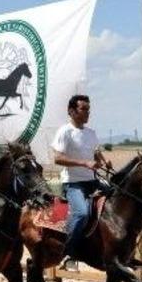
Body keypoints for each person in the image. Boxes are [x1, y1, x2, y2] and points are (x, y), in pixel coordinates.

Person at [51, 94, 112, 271]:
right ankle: (68, 255)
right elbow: (57, 158)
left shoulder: (90, 133)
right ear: (71, 111)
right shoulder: (65, 131)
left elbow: (95, 152)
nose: (87, 113)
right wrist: (83, 163)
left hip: (92, 181)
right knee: (82, 213)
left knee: (118, 197)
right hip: (73, 183)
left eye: (88, 109)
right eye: (83, 109)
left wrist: (104, 160)